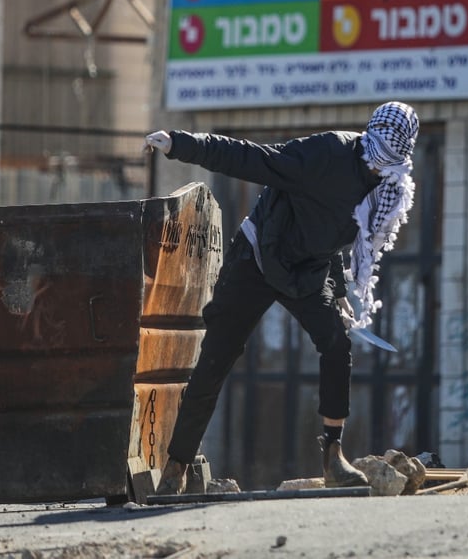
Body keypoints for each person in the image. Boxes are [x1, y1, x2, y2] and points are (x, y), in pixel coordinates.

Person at [142, 101, 419, 493]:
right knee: (217, 357)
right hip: (258, 256)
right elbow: (251, 158)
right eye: (376, 157)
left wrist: (338, 291)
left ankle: (333, 458)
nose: (378, 167)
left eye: (388, 163)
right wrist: (181, 143)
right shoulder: (325, 154)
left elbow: (337, 232)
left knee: (336, 346)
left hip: (307, 272)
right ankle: (177, 466)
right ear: (367, 140)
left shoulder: (388, 186)